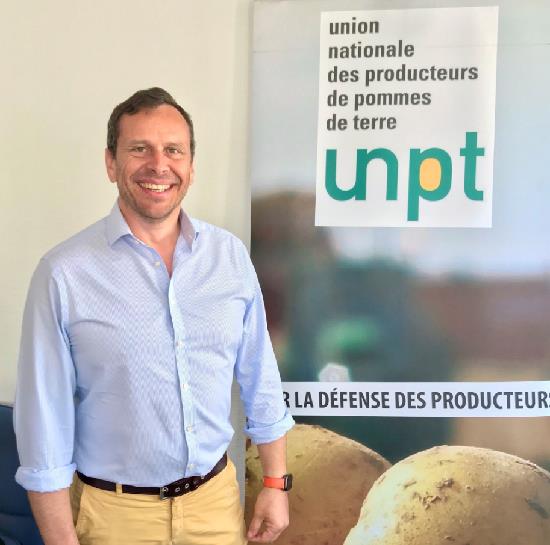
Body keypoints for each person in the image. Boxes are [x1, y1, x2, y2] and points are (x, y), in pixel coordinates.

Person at [14, 87, 294, 545]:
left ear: (191, 166)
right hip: (113, 518)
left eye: (173, 150)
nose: (159, 165)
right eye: (139, 149)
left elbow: (260, 376)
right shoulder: (64, 274)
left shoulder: (228, 257)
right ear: (111, 163)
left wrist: (275, 483)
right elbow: (44, 426)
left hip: (215, 509)